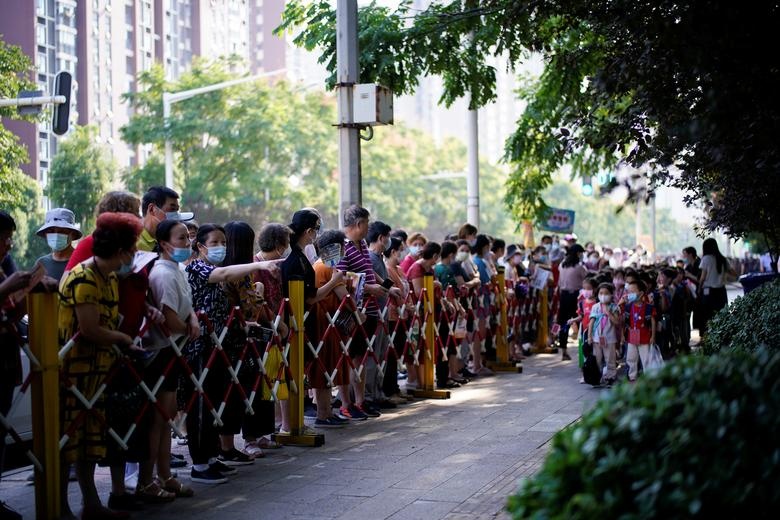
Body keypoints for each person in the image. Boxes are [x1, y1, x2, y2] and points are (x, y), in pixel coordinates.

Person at [59, 212, 142, 520]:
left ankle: (91, 504)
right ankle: (59, 507)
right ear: (120, 251)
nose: (135, 255)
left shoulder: (110, 277)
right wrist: (122, 338)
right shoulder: (83, 277)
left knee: (90, 441)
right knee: (67, 441)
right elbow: (90, 329)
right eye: (132, 249)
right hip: (73, 373)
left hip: (98, 372)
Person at [184, 223, 277, 485]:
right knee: (202, 406)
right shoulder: (198, 269)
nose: (221, 247)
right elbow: (225, 273)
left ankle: (213, 456)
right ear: (200, 246)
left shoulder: (214, 271)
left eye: (223, 242)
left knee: (216, 403)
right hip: (200, 347)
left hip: (220, 346)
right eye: (214, 243)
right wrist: (260, 266)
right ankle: (200, 464)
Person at [143, 219, 199, 499]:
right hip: (162, 351)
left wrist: (192, 320)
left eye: (188, 238)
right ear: (164, 244)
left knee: (166, 418)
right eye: (181, 239)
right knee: (158, 419)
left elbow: (186, 309)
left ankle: (165, 475)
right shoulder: (162, 274)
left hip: (175, 349)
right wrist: (189, 327)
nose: (187, 243)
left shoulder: (179, 270)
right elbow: (168, 317)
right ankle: (148, 479)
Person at [281, 210, 345, 428]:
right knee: (293, 373)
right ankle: (291, 424)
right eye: (316, 229)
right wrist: (334, 281)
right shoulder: (296, 260)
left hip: (300, 321)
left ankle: (295, 423)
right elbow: (310, 297)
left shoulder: (298, 257)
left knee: (298, 373)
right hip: (297, 322)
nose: (317, 234)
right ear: (309, 231)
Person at [1, 211, 40, 520]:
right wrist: (7, 287)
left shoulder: (4, 269)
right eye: (3, 238)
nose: (8, 245)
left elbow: (11, 315)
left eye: (10, 238)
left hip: (6, 363)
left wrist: (25, 291)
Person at [336, 205, 387, 419]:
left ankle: (360, 400)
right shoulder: (341, 246)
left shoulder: (363, 244)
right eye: (367, 222)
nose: (368, 227)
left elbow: (368, 271)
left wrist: (383, 284)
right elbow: (341, 278)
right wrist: (369, 289)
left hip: (370, 311)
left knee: (362, 357)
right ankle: (345, 404)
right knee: (347, 357)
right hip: (352, 310)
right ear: (358, 223)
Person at [253, 223, 294, 440]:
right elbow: (258, 301)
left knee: (279, 374)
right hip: (266, 329)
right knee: (271, 377)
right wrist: (277, 323)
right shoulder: (255, 265)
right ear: (278, 245)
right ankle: (277, 424)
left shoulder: (277, 265)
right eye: (285, 244)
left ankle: (280, 423)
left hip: (280, 326)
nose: (286, 248)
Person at [366, 221, 401, 409]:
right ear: (381, 238)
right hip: (373, 313)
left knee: (380, 355)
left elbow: (380, 280)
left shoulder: (378, 258)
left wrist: (390, 289)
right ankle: (369, 396)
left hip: (382, 313)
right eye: (388, 237)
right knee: (372, 356)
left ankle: (377, 393)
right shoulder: (370, 258)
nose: (389, 241)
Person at [66, 191, 142, 271]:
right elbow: (68, 277)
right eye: (136, 212)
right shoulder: (92, 242)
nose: (140, 217)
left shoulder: (133, 242)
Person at [406, 242, 443, 387]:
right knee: (417, 347)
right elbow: (418, 292)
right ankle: (416, 380)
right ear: (435, 255)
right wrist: (434, 284)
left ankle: (426, 380)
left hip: (428, 312)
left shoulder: (429, 269)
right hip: (417, 313)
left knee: (426, 346)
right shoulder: (417, 268)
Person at [137, 186, 194, 252]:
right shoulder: (134, 243)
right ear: (152, 209)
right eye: (172, 209)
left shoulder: (168, 241)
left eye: (177, 210)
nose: (176, 217)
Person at [35, 207, 83, 282]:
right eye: (51, 231)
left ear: (73, 234)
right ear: (45, 234)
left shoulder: (82, 262)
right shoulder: (41, 264)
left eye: (62, 231)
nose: (56, 235)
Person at [556, 245, 587, 360]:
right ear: (578, 254)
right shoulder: (579, 267)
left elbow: (559, 283)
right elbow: (586, 279)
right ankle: (584, 351)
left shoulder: (561, 265)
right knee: (581, 321)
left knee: (564, 322)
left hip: (564, 296)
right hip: (576, 296)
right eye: (581, 253)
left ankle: (564, 351)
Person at [699, 238, 734, 336]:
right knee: (721, 314)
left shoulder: (706, 259)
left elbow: (703, 277)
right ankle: (722, 335)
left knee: (708, 316)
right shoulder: (723, 259)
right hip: (721, 291)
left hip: (708, 292)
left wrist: (699, 288)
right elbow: (733, 273)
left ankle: (709, 336)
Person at [623, 279, 656, 382]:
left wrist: (653, 336)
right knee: (631, 358)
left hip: (645, 337)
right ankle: (632, 376)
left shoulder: (648, 307)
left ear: (641, 293)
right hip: (631, 337)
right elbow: (624, 321)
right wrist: (623, 336)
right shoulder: (628, 307)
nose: (629, 294)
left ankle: (649, 377)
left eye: (632, 292)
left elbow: (653, 322)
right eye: (628, 292)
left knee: (646, 358)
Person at [588, 283, 621, 386]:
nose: (603, 295)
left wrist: (609, 314)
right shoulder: (595, 307)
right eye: (601, 293)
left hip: (609, 338)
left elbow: (617, 322)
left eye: (606, 293)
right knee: (597, 358)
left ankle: (611, 377)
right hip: (597, 338)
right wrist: (589, 336)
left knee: (610, 358)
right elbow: (591, 322)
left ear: (611, 295)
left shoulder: (614, 307)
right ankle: (597, 378)